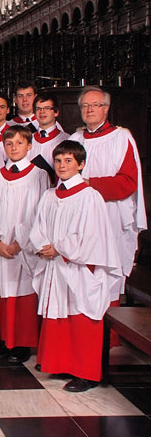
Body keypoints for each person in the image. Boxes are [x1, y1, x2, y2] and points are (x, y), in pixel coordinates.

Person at [29, 140, 123, 392]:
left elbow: (92, 235)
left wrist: (59, 248)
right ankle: (61, 364)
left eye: (68, 161)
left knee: (80, 315)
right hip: (54, 264)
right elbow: (37, 227)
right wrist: (43, 245)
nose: (61, 165)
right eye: (58, 161)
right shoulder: (50, 195)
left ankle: (86, 372)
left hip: (79, 267)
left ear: (81, 164)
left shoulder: (90, 196)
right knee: (59, 315)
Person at [0, 126, 49, 364]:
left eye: (19, 143)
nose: (14, 148)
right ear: (3, 147)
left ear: (29, 146)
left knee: (22, 292)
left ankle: (21, 343)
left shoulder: (39, 176)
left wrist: (20, 243)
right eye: (9, 144)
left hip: (23, 249)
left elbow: (41, 214)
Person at [68, 86, 146, 304]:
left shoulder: (122, 138)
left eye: (95, 105)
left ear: (106, 108)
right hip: (79, 217)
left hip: (111, 214)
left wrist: (89, 184)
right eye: (85, 106)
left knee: (107, 275)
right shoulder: (75, 139)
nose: (89, 110)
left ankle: (109, 336)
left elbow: (128, 182)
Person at [30, 92, 68, 182]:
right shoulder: (26, 140)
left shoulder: (66, 140)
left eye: (47, 108)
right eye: (38, 108)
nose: (42, 112)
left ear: (56, 112)